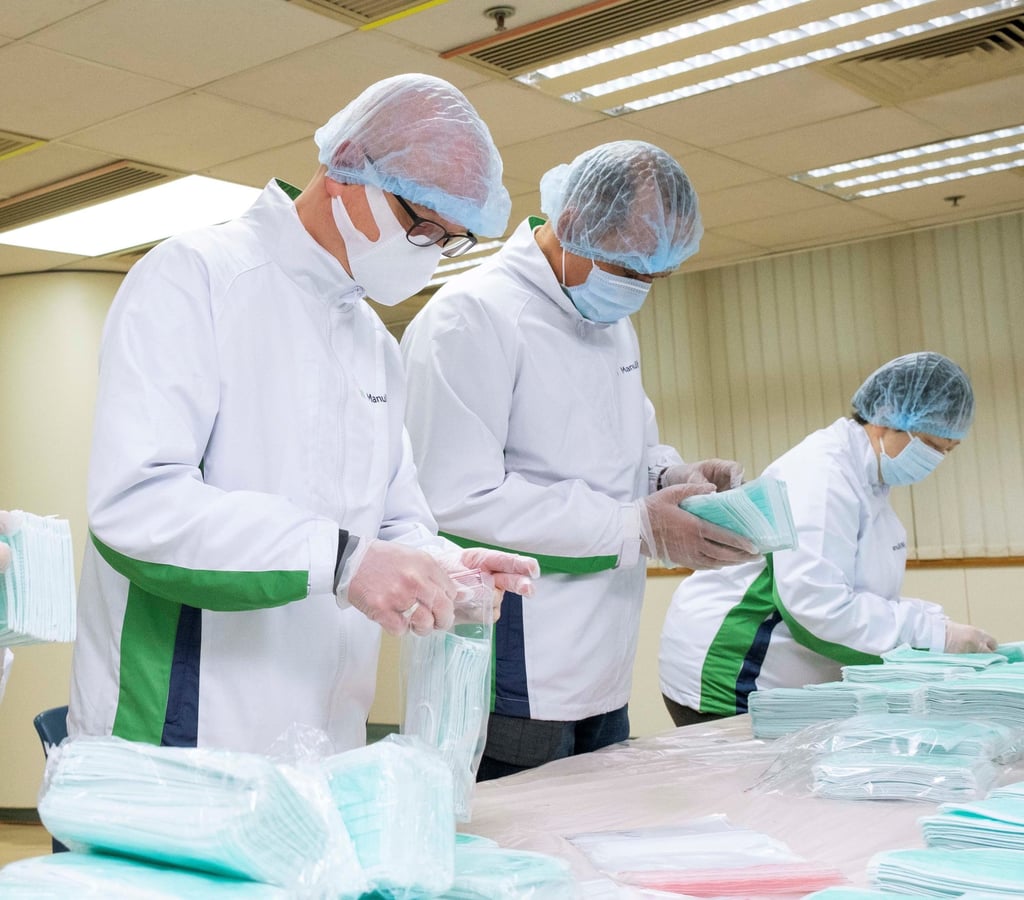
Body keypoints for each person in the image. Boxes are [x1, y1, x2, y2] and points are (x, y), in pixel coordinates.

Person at [67, 74, 538, 754]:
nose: (433, 251)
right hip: (183, 735)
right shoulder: (196, 276)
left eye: (450, 240)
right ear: (346, 171)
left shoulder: (371, 341)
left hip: (325, 740)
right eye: (423, 225)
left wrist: (445, 567)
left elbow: (392, 519)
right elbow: (138, 507)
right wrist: (342, 560)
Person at [400, 140, 760, 780]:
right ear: (570, 224)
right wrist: (638, 526)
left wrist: (672, 475)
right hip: (514, 665)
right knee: (516, 834)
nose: (640, 287)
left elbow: (624, 445)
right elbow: (455, 500)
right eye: (629, 268)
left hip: (605, 663)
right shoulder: (472, 316)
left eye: (654, 275)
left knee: (596, 829)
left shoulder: (606, 317)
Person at [659, 351, 998, 726]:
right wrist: (934, 636)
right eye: (931, 445)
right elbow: (816, 606)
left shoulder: (869, 482)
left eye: (947, 451)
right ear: (887, 417)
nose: (935, 460)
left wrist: (935, 623)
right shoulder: (821, 476)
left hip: (779, 673)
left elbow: (858, 591)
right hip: (734, 672)